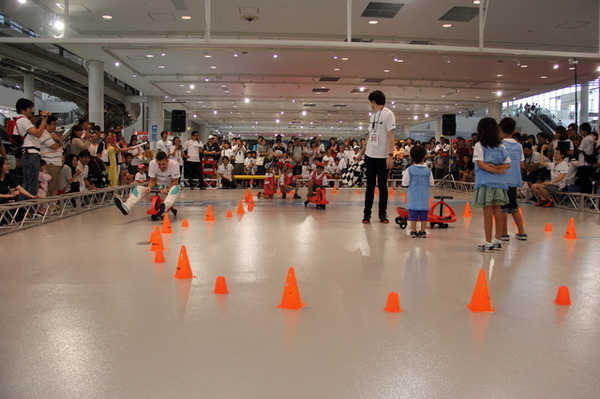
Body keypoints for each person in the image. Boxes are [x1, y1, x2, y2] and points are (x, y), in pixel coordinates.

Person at [472, 117, 511, 252]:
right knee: (498, 211)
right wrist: (499, 169)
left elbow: (480, 164)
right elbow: (508, 164)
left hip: (485, 182)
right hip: (500, 182)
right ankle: (497, 240)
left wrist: (492, 168)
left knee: (487, 212)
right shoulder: (501, 146)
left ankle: (488, 242)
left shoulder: (479, 145)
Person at [358, 90, 396, 224]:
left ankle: (382, 214)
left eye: (370, 102)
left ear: (373, 101)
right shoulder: (373, 116)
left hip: (382, 157)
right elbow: (369, 136)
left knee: (382, 186)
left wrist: (390, 155)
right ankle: (366, 214)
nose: (370, 104)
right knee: (370, 186)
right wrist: (361, 153)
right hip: (370, 155)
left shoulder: (388, 114)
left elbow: (391, 136)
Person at [114, 151, 181, 217]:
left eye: (163, 164)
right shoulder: (152, 163)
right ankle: (127, 206)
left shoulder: (174, 164)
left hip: (169, 191)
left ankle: (164, 207)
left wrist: (167, 189)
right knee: (138, 188)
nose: (161, 167)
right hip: (157, 189)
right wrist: (149, 187)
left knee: (176, 188)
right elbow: (152, 180)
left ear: (167, 161)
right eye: (159, 164)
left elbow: (174, 182)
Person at [13, 98, 50, 197]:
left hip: (29, 153)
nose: (32, 110)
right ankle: (29, 209)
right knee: (33, 183)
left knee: (27, 183)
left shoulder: (20, 120)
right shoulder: (23, 120)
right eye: (30, 108)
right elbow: (38, 133)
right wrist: (44, 120)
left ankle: (23, 210)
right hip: (31, 153)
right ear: (22, 109)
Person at [498, 117, 527, 241]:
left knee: (503, 207)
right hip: (515, 179)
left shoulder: (500, 145)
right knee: (513, 205)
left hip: (503, 179)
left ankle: (504, 233)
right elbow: (522, 164)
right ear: (514, 130)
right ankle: (521, 231)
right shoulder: (519, 146)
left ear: (500, 130)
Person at [402, 145, 434, 238]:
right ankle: (423, 231)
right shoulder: (428, 170)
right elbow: (431, 183)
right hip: (424, 196)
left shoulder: (409, 169)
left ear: (411, 156)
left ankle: (413, 230)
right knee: (424, 213)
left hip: (413, 196)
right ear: (424, 156)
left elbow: (405, 183)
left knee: (413, 213)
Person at [37, 115, 63, 196]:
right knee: (49, 187)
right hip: (50, 162)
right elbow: (54, 146)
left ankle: (52, 205)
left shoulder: (53, 134)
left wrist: (58, 140)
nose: (55, 126)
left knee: (56, 187)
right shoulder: (44, 134)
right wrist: (58, 140)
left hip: (58, 162)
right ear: (46, 125)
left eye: (56, 124)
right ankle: (46, 206)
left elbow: (61, 144)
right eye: (53, 124)